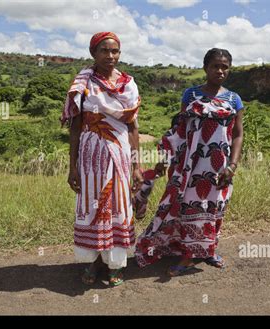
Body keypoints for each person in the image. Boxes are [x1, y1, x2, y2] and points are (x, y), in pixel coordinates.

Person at [134, 48, 244, 276]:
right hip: (190, 165)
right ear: (205, 68)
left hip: (220, 166)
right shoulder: (190, 95)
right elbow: (181, 129)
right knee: (190, 207)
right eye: (216, 66)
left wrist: (232, 166)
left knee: (214, 207)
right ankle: (187, 256)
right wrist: (165, 159)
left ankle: (208, 250)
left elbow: (237, 135)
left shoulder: (234, 99)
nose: (220, 71)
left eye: (225, 67)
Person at [61, 32, 143, 286]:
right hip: (90, 156)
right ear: (93, 53)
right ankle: (93, 262)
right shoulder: (83, 83)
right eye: (104, 51)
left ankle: (115, 264)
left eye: (115, 51)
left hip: (119, 154)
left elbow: (132, 128)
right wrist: (72, 166)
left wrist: (137, 165)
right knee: (93, 206)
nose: (110, 56)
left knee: (118, 206)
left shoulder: (128, 84)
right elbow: (75, 128)